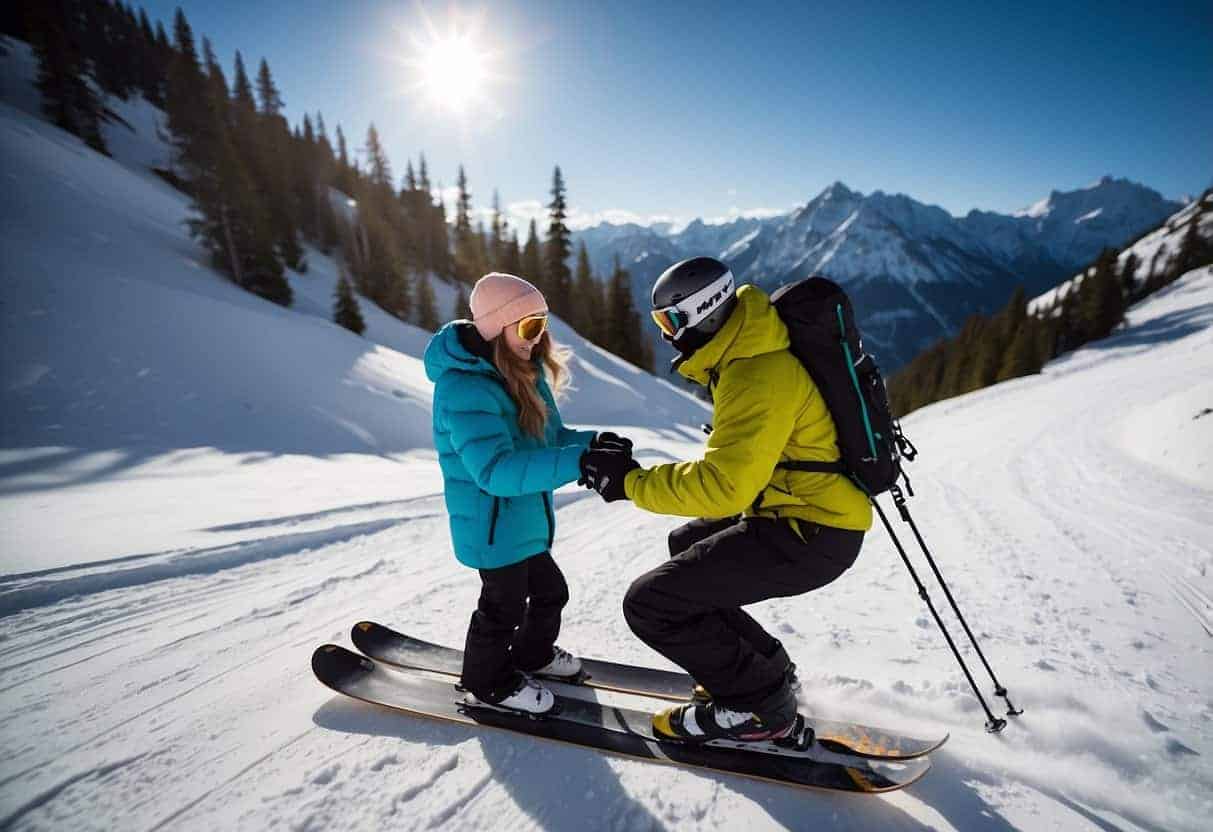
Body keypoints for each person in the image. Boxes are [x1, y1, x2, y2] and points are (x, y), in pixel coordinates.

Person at [577, 256, 872, 743]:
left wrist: (631, 483)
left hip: (813, 533)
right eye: (659, 322)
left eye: (671, 320)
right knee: (686, 543)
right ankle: (769, 672)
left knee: (650, 604)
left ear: (706, 312)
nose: (666, 333)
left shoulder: (756, 373)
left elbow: (724, 488)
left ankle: (758, 709)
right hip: (800, 515)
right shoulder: (748, 354)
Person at [424, 272, 630, 714]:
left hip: (522, 522)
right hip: (493, 527)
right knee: (503, 609)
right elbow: (495, 471)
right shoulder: (465, 388)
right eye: (528, 327)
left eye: (541, 326)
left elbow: (549, 438)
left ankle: (532, 655)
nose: (538, 339)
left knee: (551, 593)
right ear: (499, 327)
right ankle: (487, 682)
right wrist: (579, 464)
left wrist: (593, 445)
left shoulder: (521, 370)